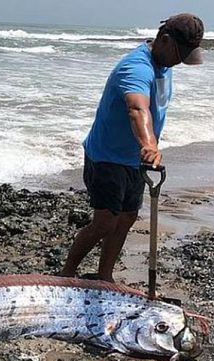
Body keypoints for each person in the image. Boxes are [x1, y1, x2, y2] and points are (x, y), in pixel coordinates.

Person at [60, 13, 204, 282]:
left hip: (134, 159)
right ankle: (67, 272)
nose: (179, 61)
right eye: (179, 53)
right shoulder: (136, 67)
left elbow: (154, 107)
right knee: (105, 222)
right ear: (164, 39)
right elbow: (137, 108)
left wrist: (147, 149)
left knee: (126, 218)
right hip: (107, 156)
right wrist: (149, 144)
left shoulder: (165, 64)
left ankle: (105, 276)